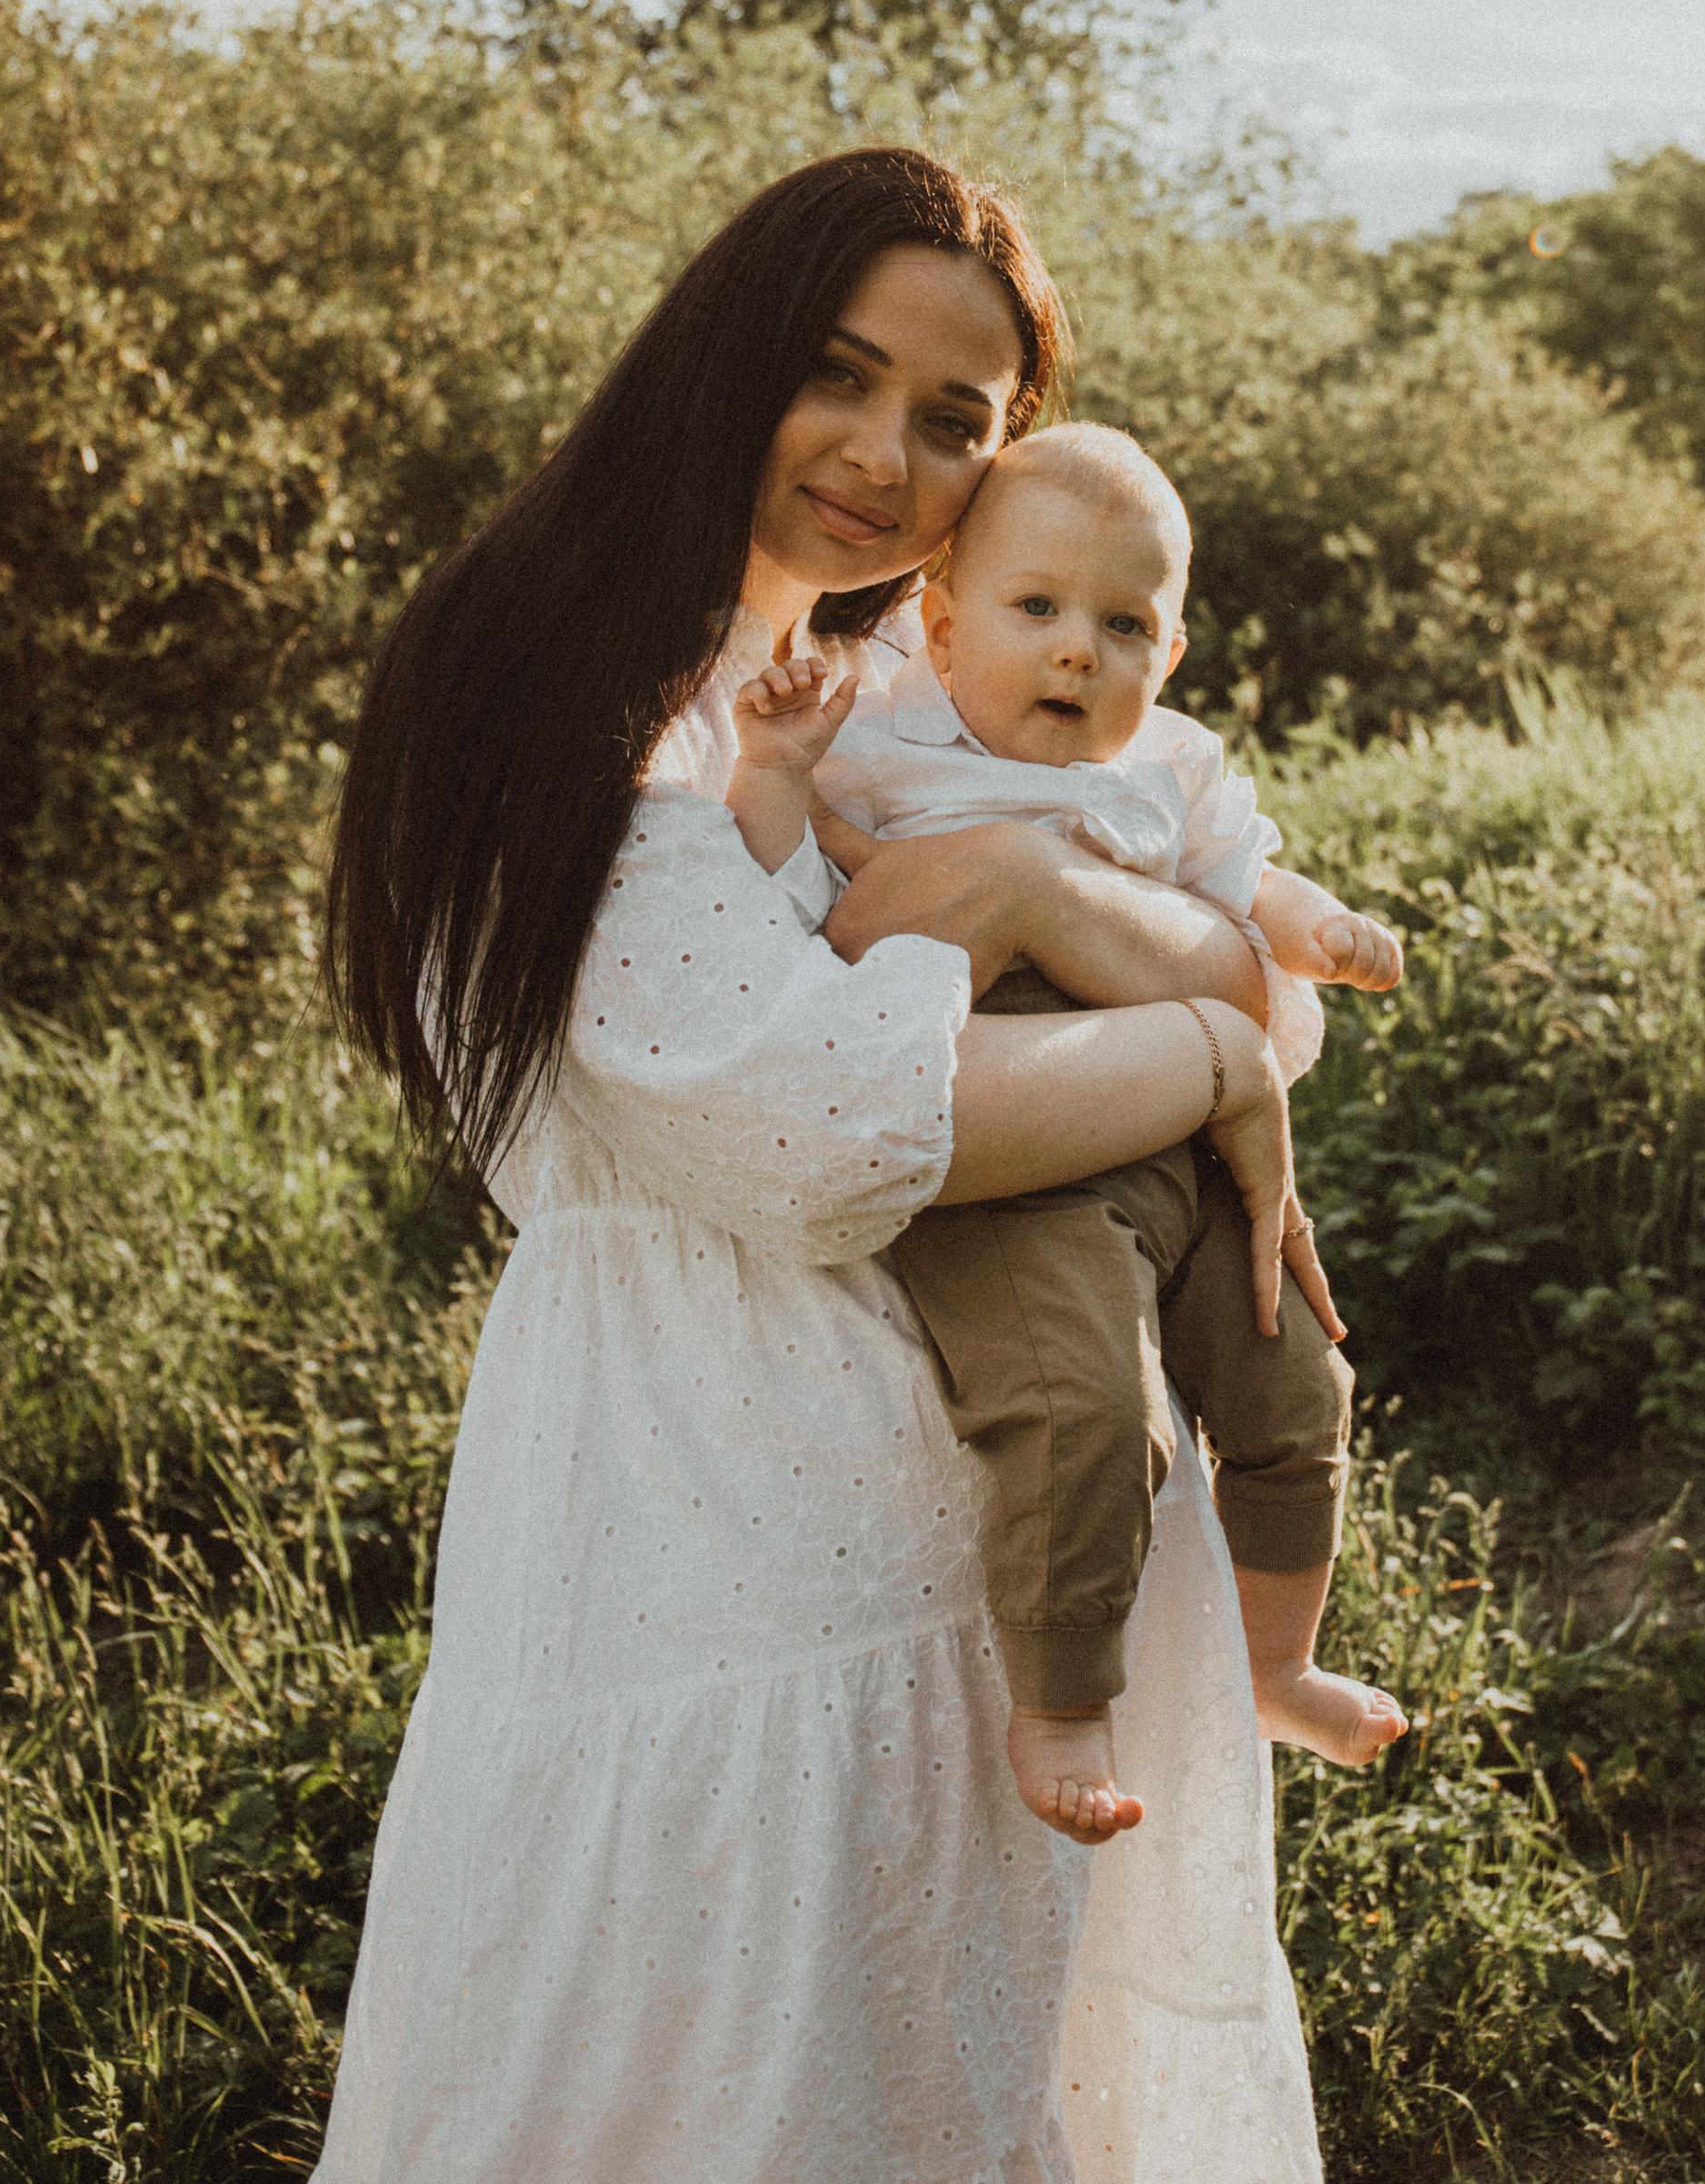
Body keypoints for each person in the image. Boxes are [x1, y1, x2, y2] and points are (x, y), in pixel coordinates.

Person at [316, 146, 1327, 2183]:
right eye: (835, 377)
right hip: (723, 1536)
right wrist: (1218, 1043)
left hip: (956, 1535)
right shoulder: (568, 688)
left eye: (954, 421)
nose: (884, 455)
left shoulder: (878, 696)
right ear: (720, 361)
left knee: (947, 2085)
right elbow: (844, 1130)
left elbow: (1229, 951)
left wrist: (1076, 911)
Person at [725, 423, 1407, 1844]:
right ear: (943, 617)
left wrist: (1319, 931)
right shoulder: (883, 744)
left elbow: (1248, 883)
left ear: (1168, 652)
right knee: (1092, 1412)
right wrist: (778, 779)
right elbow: (802, 920)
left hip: (1193, 1139)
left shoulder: (1169, 766)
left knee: (1299, 1388)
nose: (1076, 653)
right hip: (1018, 1140)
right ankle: (1062, 1701)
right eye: (1036, 610)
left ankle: (1277, 1666)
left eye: (1123, 624)